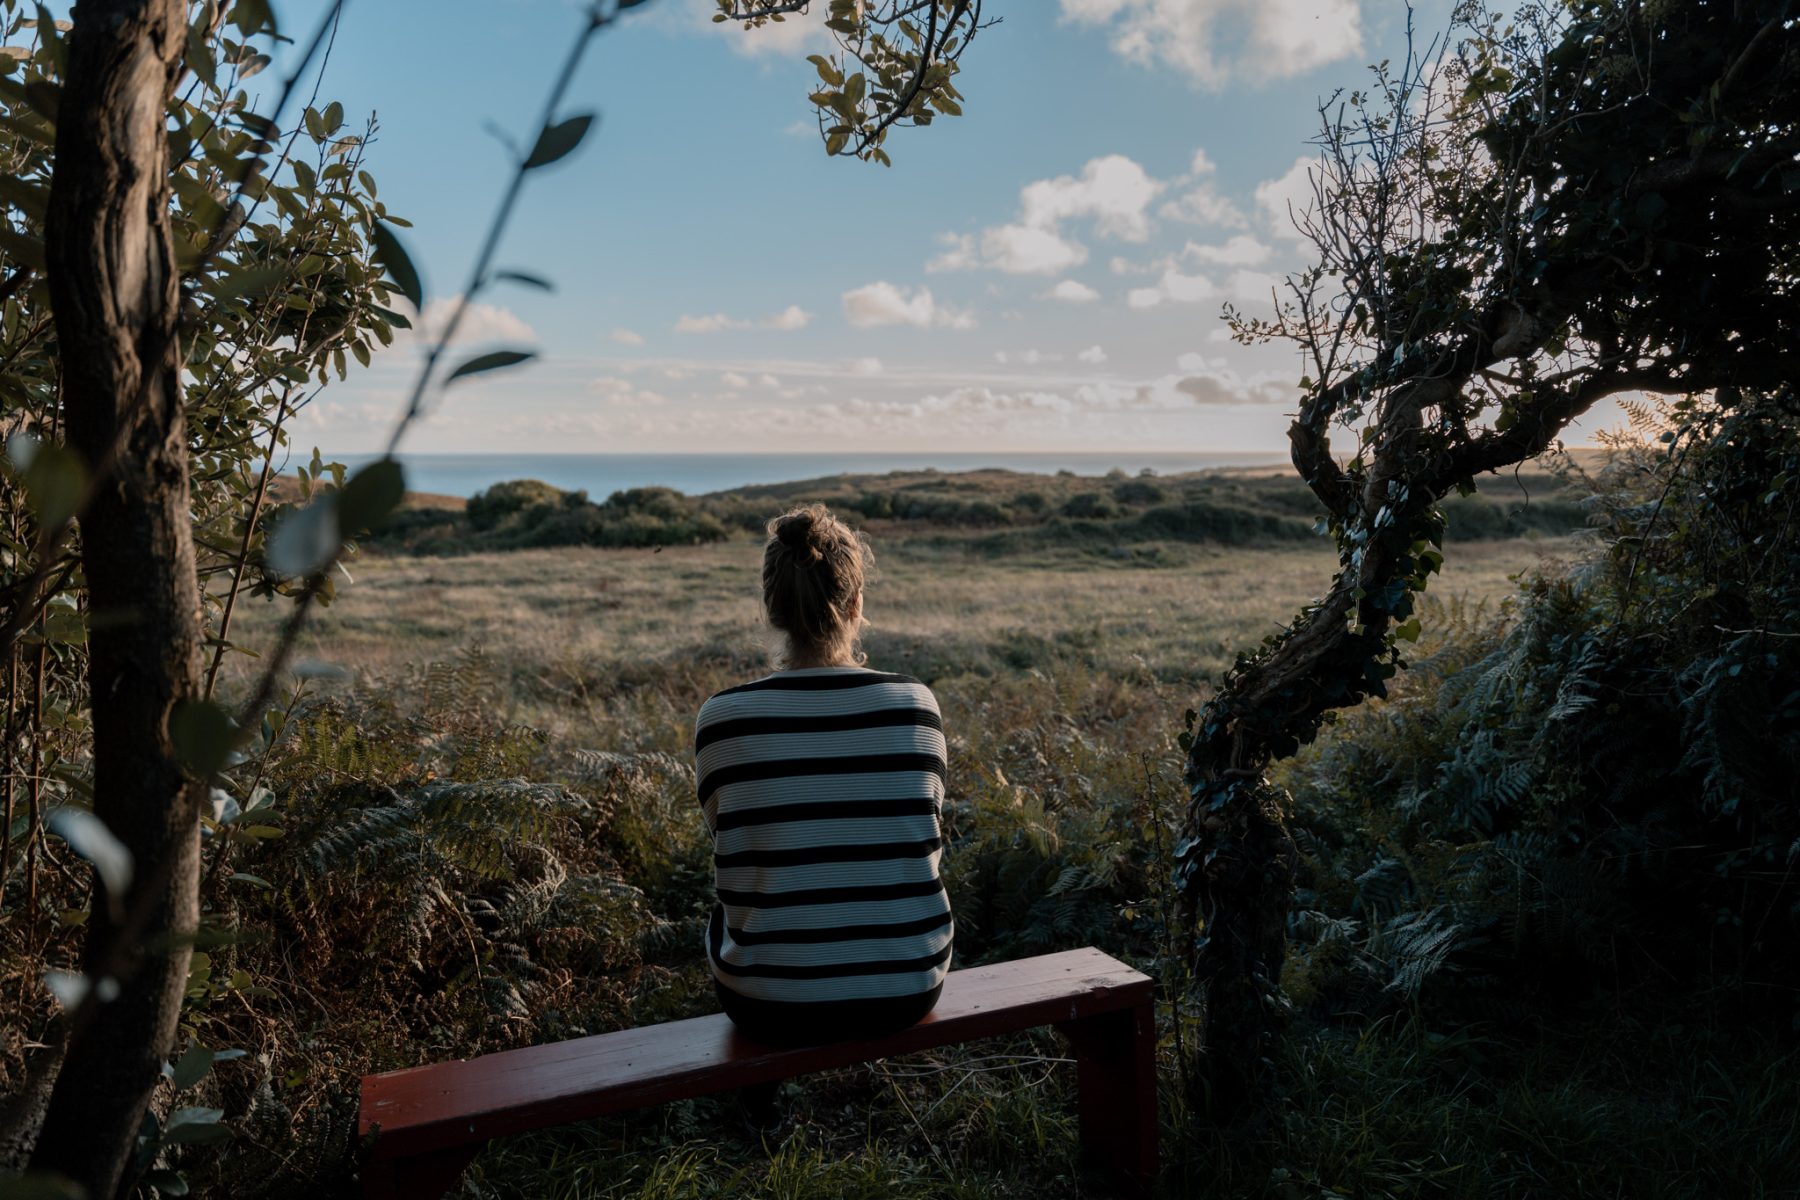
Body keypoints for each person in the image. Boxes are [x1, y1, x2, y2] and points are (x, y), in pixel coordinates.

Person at [693, 503, 952, 1050]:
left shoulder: (722, 718)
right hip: (907, 985)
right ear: (857, 604)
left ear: (771, 608)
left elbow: (733, 843)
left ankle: (757, 1117)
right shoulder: (915, 706)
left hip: (764, 1000)